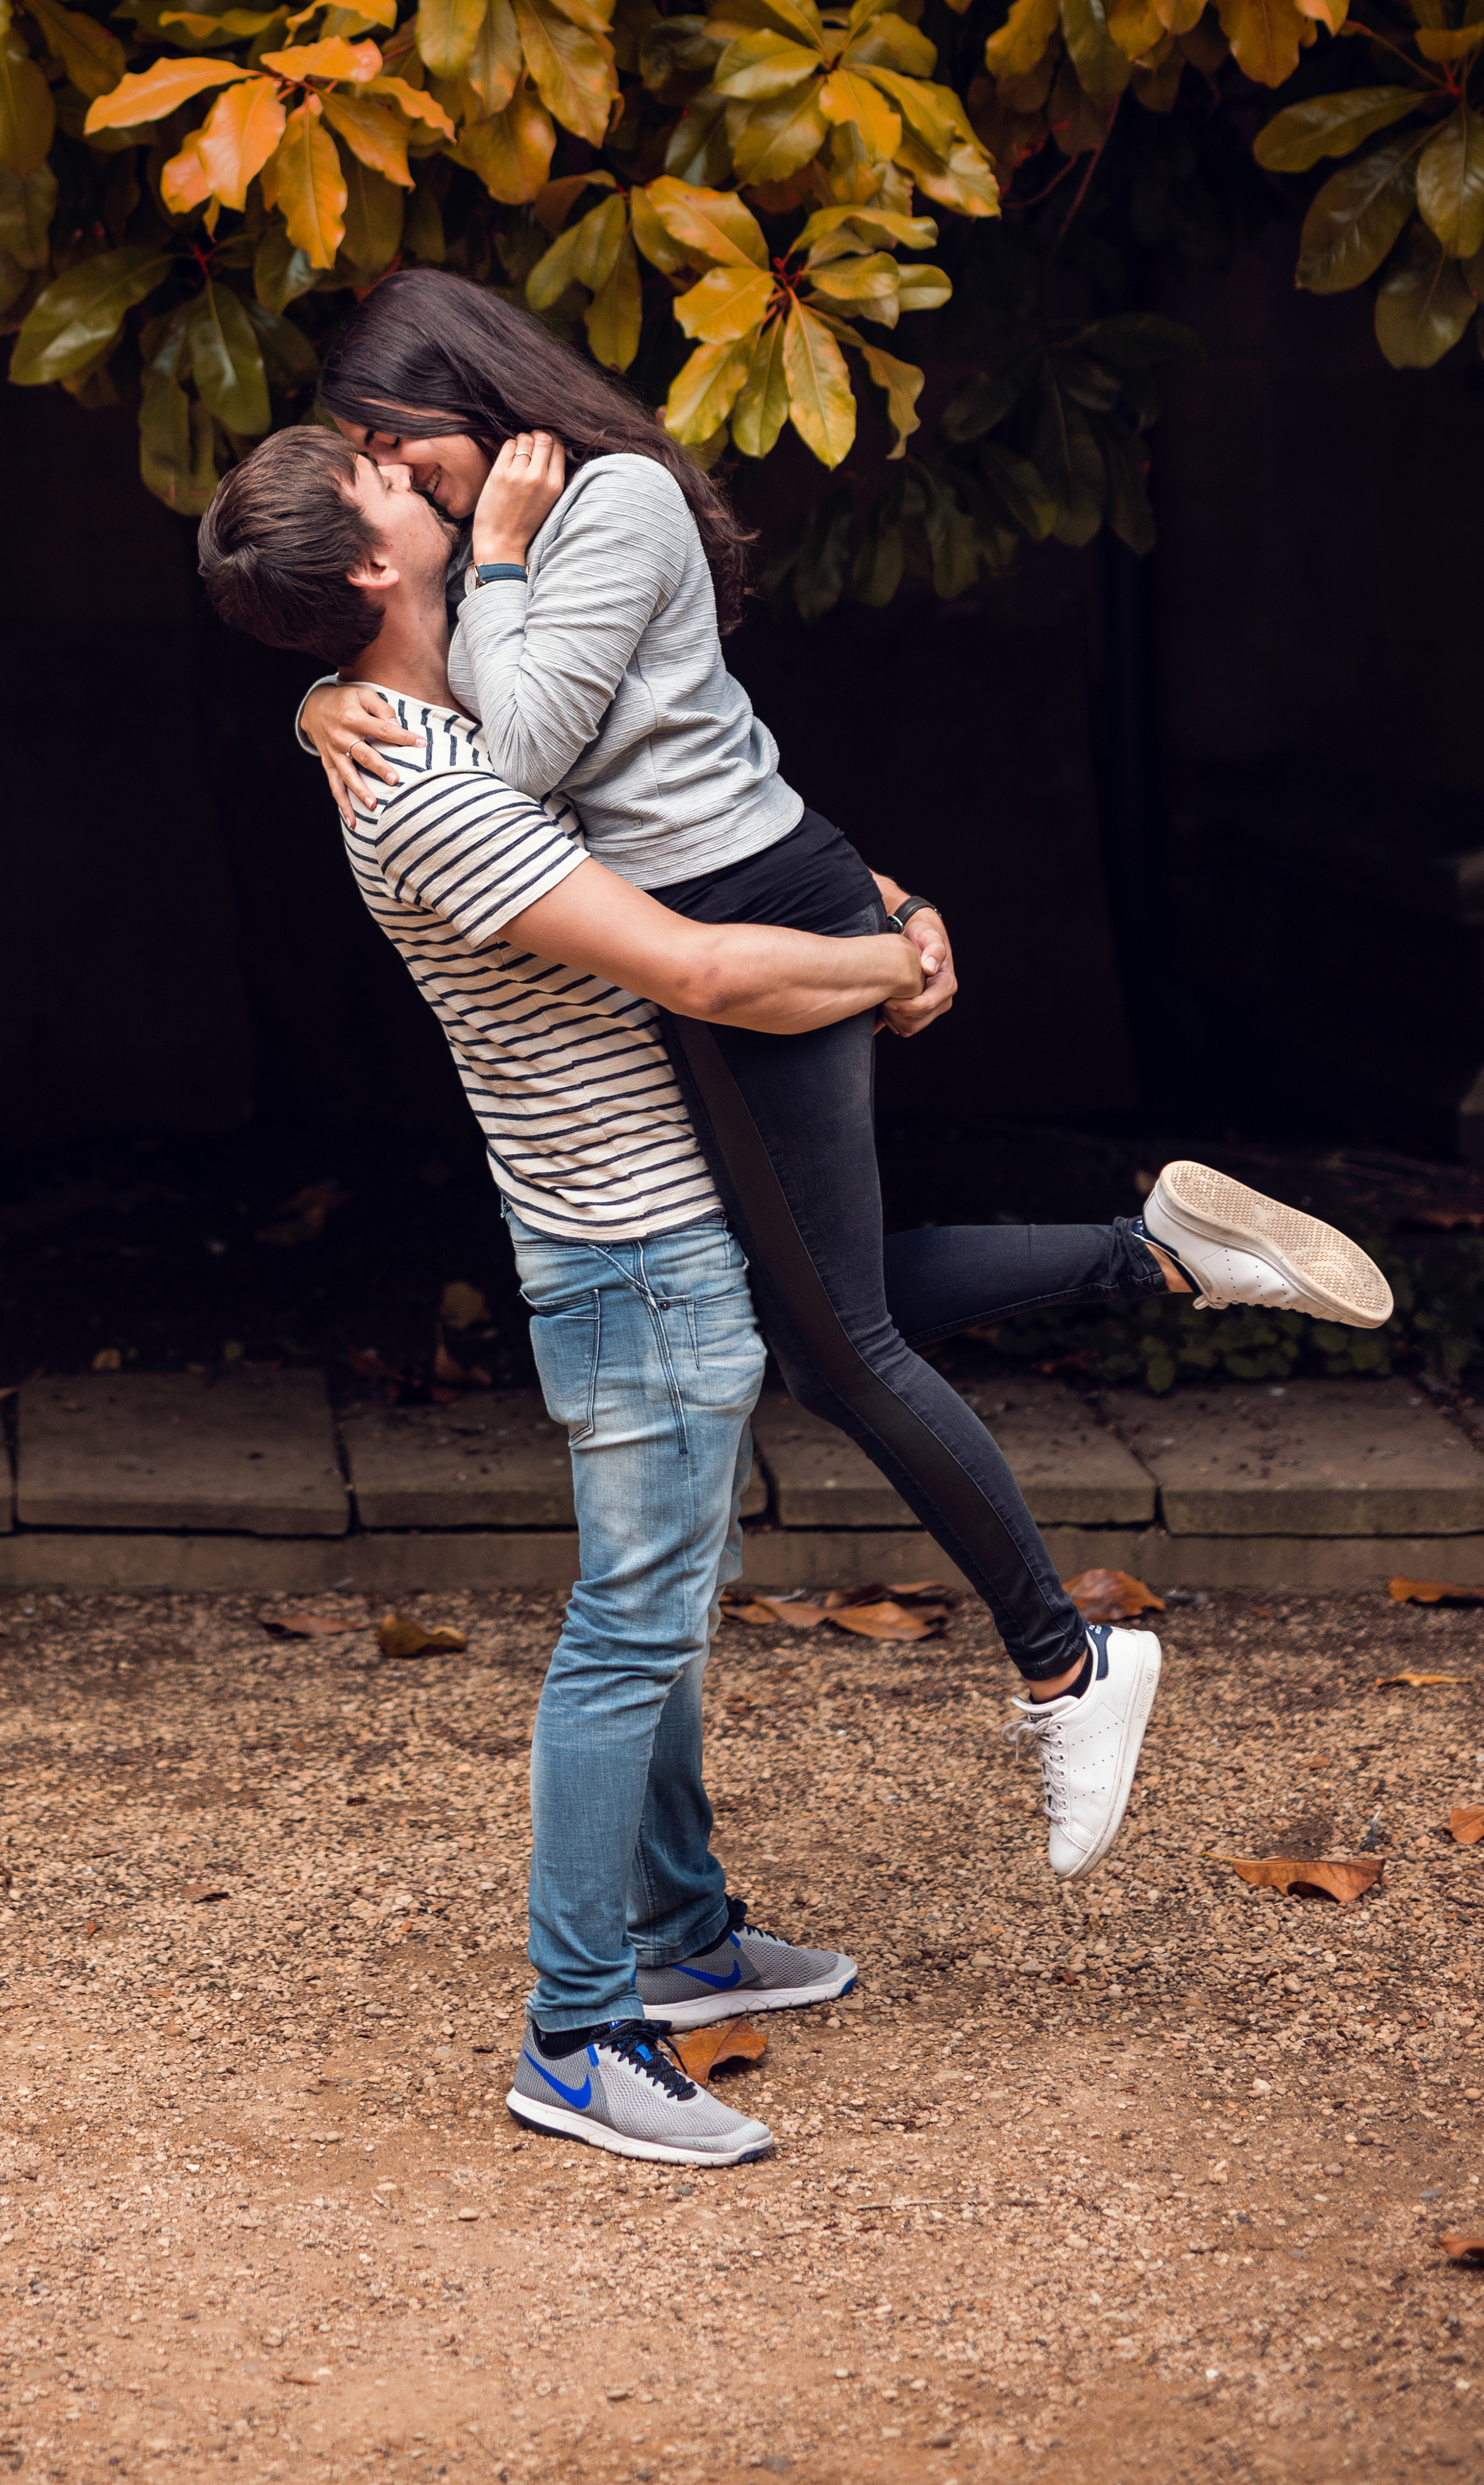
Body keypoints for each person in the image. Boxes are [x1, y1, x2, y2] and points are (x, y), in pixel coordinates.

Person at [194, 425, 1373, 2163]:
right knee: (632, 1634)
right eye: (381, 480)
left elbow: (681, 805)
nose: (419, 472)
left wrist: (878, 895)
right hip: (632, 1247)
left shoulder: (430, 724)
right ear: (369, 571)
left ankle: (679, 1944)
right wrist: (889, 956)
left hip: (658, 1226)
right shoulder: (425, 785)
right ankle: (576, 2031)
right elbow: (696, 962)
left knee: (699, 1528)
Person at [295, 269, 1391, 1814]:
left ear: (466, 395)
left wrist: (496, 556)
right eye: (373, 464)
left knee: (840, 1348)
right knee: (806, 1304)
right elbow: (446, 687)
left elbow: (523, 751)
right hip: (716, 902)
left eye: (400, 446)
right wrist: (325, 694)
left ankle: (1071, 1659)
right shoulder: (503, 548)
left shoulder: (599, 508)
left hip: (748, 909)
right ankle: (1158, 1248)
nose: (400, 482)